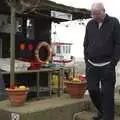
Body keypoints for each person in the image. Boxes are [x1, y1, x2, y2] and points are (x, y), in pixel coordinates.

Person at [83, 2, 120, 120]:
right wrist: (86, 60)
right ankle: (102, 111)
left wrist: (114, 61)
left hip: (107, 65)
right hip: (92, 65)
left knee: (108, 94)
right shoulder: (90, 24)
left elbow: (118, 43)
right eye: (93, 14)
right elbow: (86, 43)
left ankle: (108, 117)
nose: (95, 16)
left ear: (104, 11)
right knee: (92, 90)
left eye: (97, 13)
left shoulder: (114, 22)